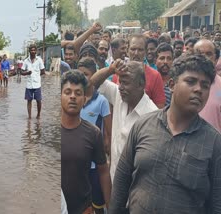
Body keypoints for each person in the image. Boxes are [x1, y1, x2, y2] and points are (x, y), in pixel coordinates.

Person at [108, 54, 221, 213]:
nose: (198, 89)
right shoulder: (143, 125)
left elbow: (217, 204)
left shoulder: (214, 143)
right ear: (172, 85)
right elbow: (121, 181)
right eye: (191, 81)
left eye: (205, 85)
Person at [91, 60, 157, 181]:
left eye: (126, 83)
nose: (120, 87)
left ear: (141, 85)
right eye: (120, 82)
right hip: (113, 176)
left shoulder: (151, 115)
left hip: (134, 185)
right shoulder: (118, 95)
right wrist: (110, 70)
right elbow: (93, 83)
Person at [61, 70, 111, 214]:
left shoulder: (93, 133)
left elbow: (103, 172)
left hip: (83, 208)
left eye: (78, 93)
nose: (72, 97)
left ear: (84, 99)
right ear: (60, 96)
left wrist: (111, 206)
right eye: (68, 92)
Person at [77, 58, 111, 214]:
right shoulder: (75, 100)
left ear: (94, 75)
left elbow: (108, 133)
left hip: (95, 163)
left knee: (98, 203)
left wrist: (107, 154)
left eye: (86, 74)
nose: (82, 78)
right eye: (79, 74)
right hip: (78, 161)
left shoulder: (102, 101)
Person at [112, 34, 166, 108]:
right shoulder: (118, 73)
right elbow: (113, 104)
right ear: (127, 51)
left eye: (140, 50)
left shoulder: (155, 76)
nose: (136, 53)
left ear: (145, 52)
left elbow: (159, 108)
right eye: (133, 49)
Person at [194, 39, 221, 132]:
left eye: (209, 54)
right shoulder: (184, 84)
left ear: (216, 59)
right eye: (200, 54)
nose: (204, 58)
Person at [21, 44, 45, 119]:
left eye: (34, 50)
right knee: (29, 101)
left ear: (36, 51)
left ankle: (38, 115)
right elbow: (22, 72)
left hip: (37, 84)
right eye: (31, 50)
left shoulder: (39, 60)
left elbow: (43, 71)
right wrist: (27, 73)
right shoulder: (26, 61)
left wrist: (37, 76)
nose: (33, 51)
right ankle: (30, 116)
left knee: (38, 100)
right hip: (29, 84)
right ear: (29, 51)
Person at [155, 42, 174, 106]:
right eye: (162, 58)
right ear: (155, 60)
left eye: (169, 58)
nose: (165, 62)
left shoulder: (177, 82)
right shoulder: (150, 80)